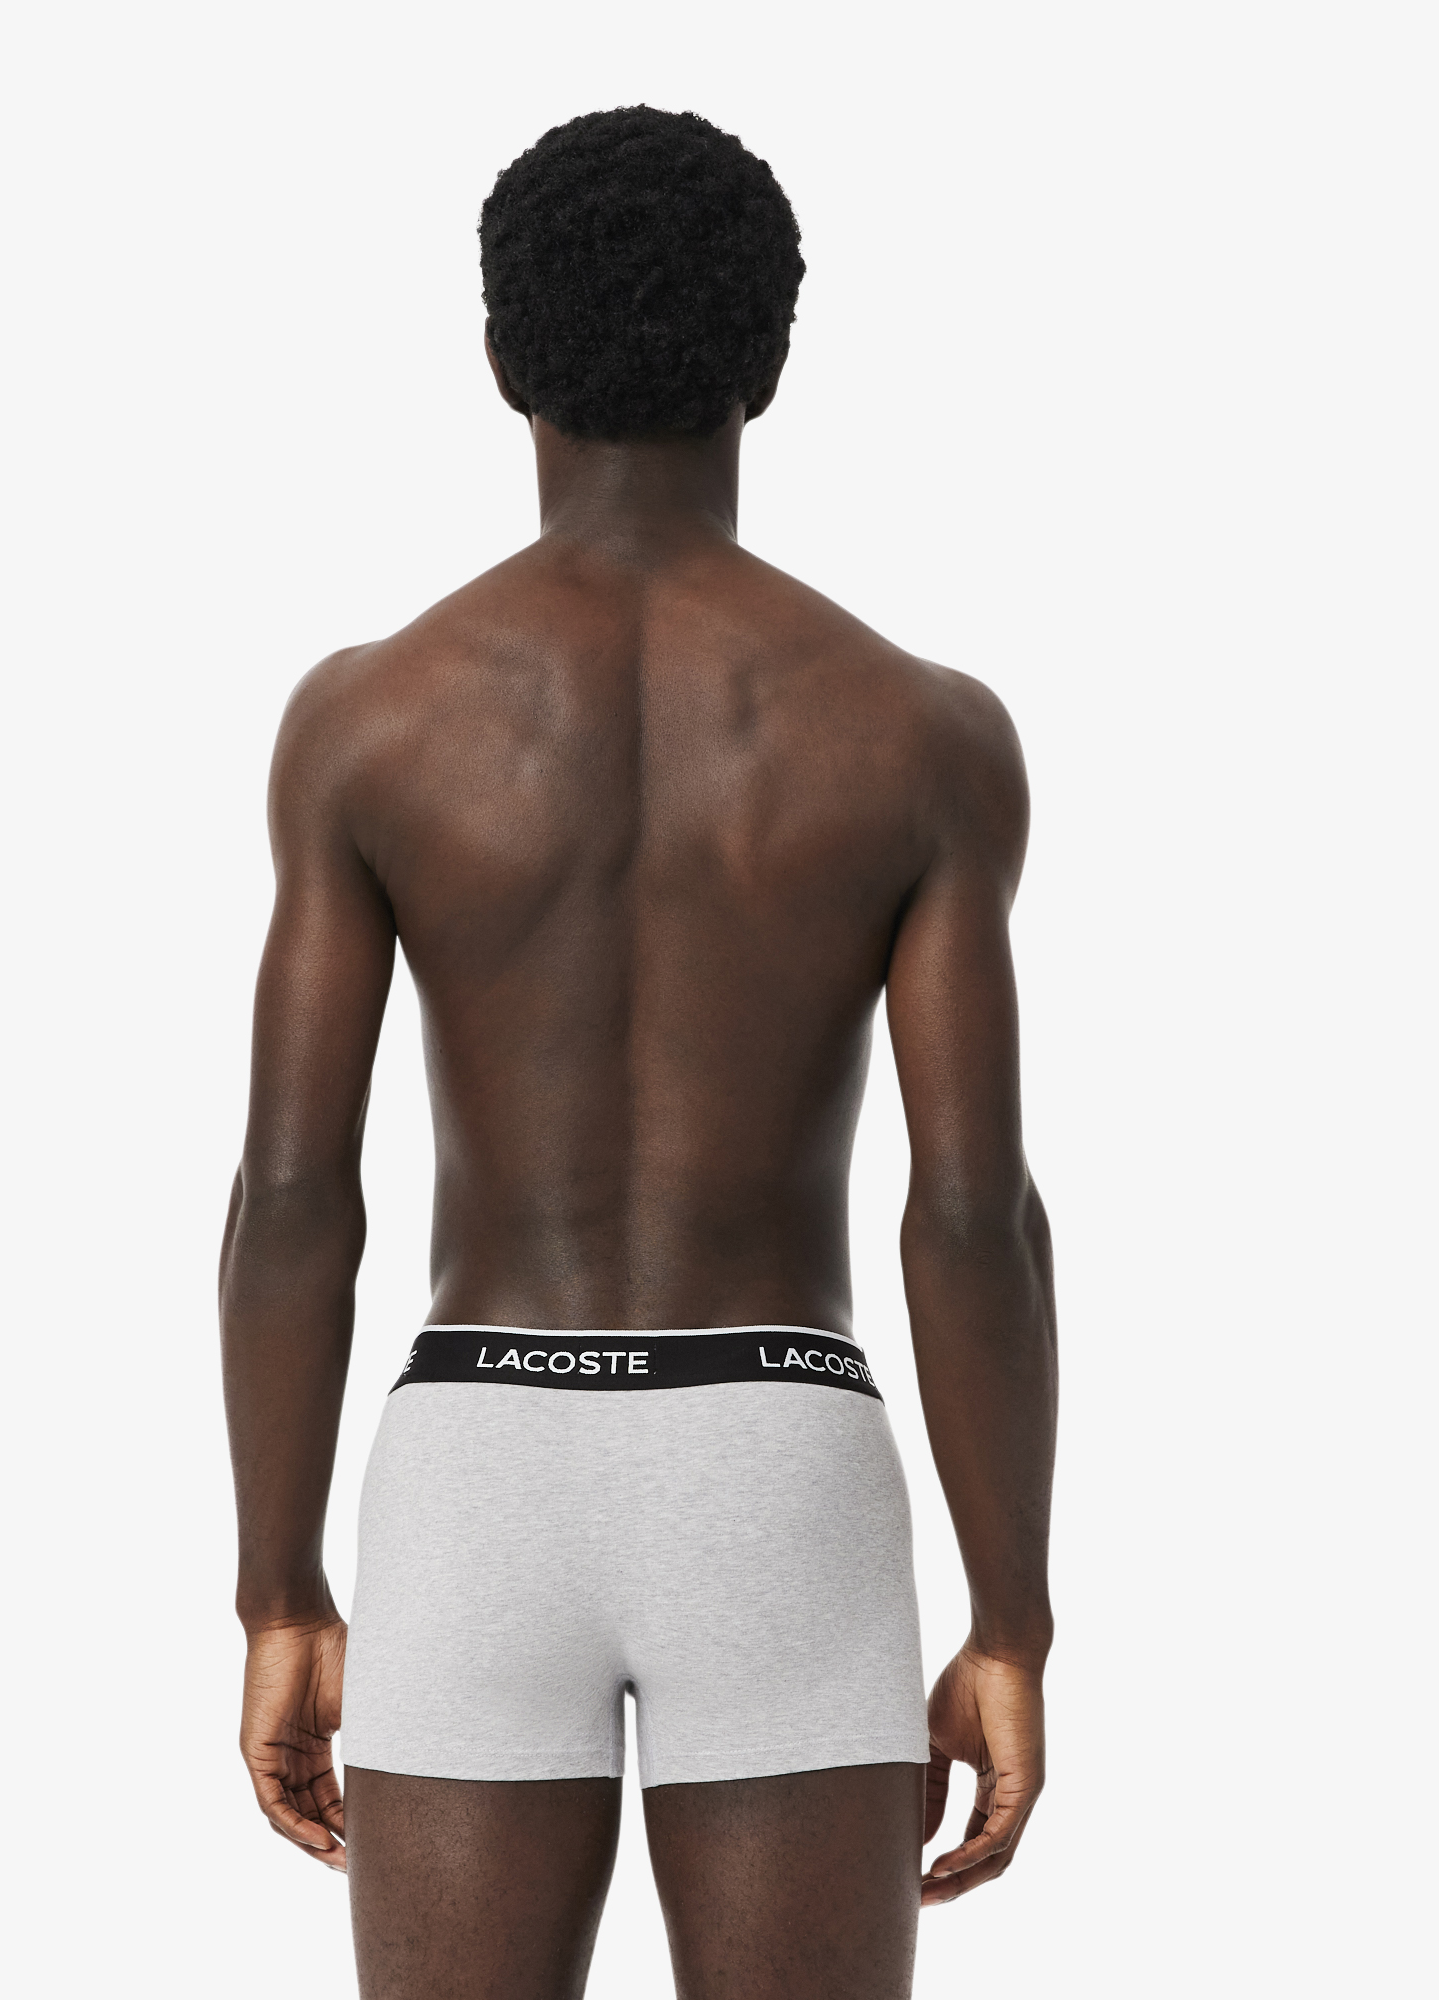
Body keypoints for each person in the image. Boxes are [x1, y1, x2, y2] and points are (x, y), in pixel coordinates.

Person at [219, 105, 1057, 2000]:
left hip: (477, 1463)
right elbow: (972, 1211)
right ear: (771, 361)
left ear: (500, 357)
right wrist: (1011, 1615)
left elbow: (291, 1194)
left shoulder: (368, 720)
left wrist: (278, 1587)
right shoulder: (921, 731)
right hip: (777, 1457)